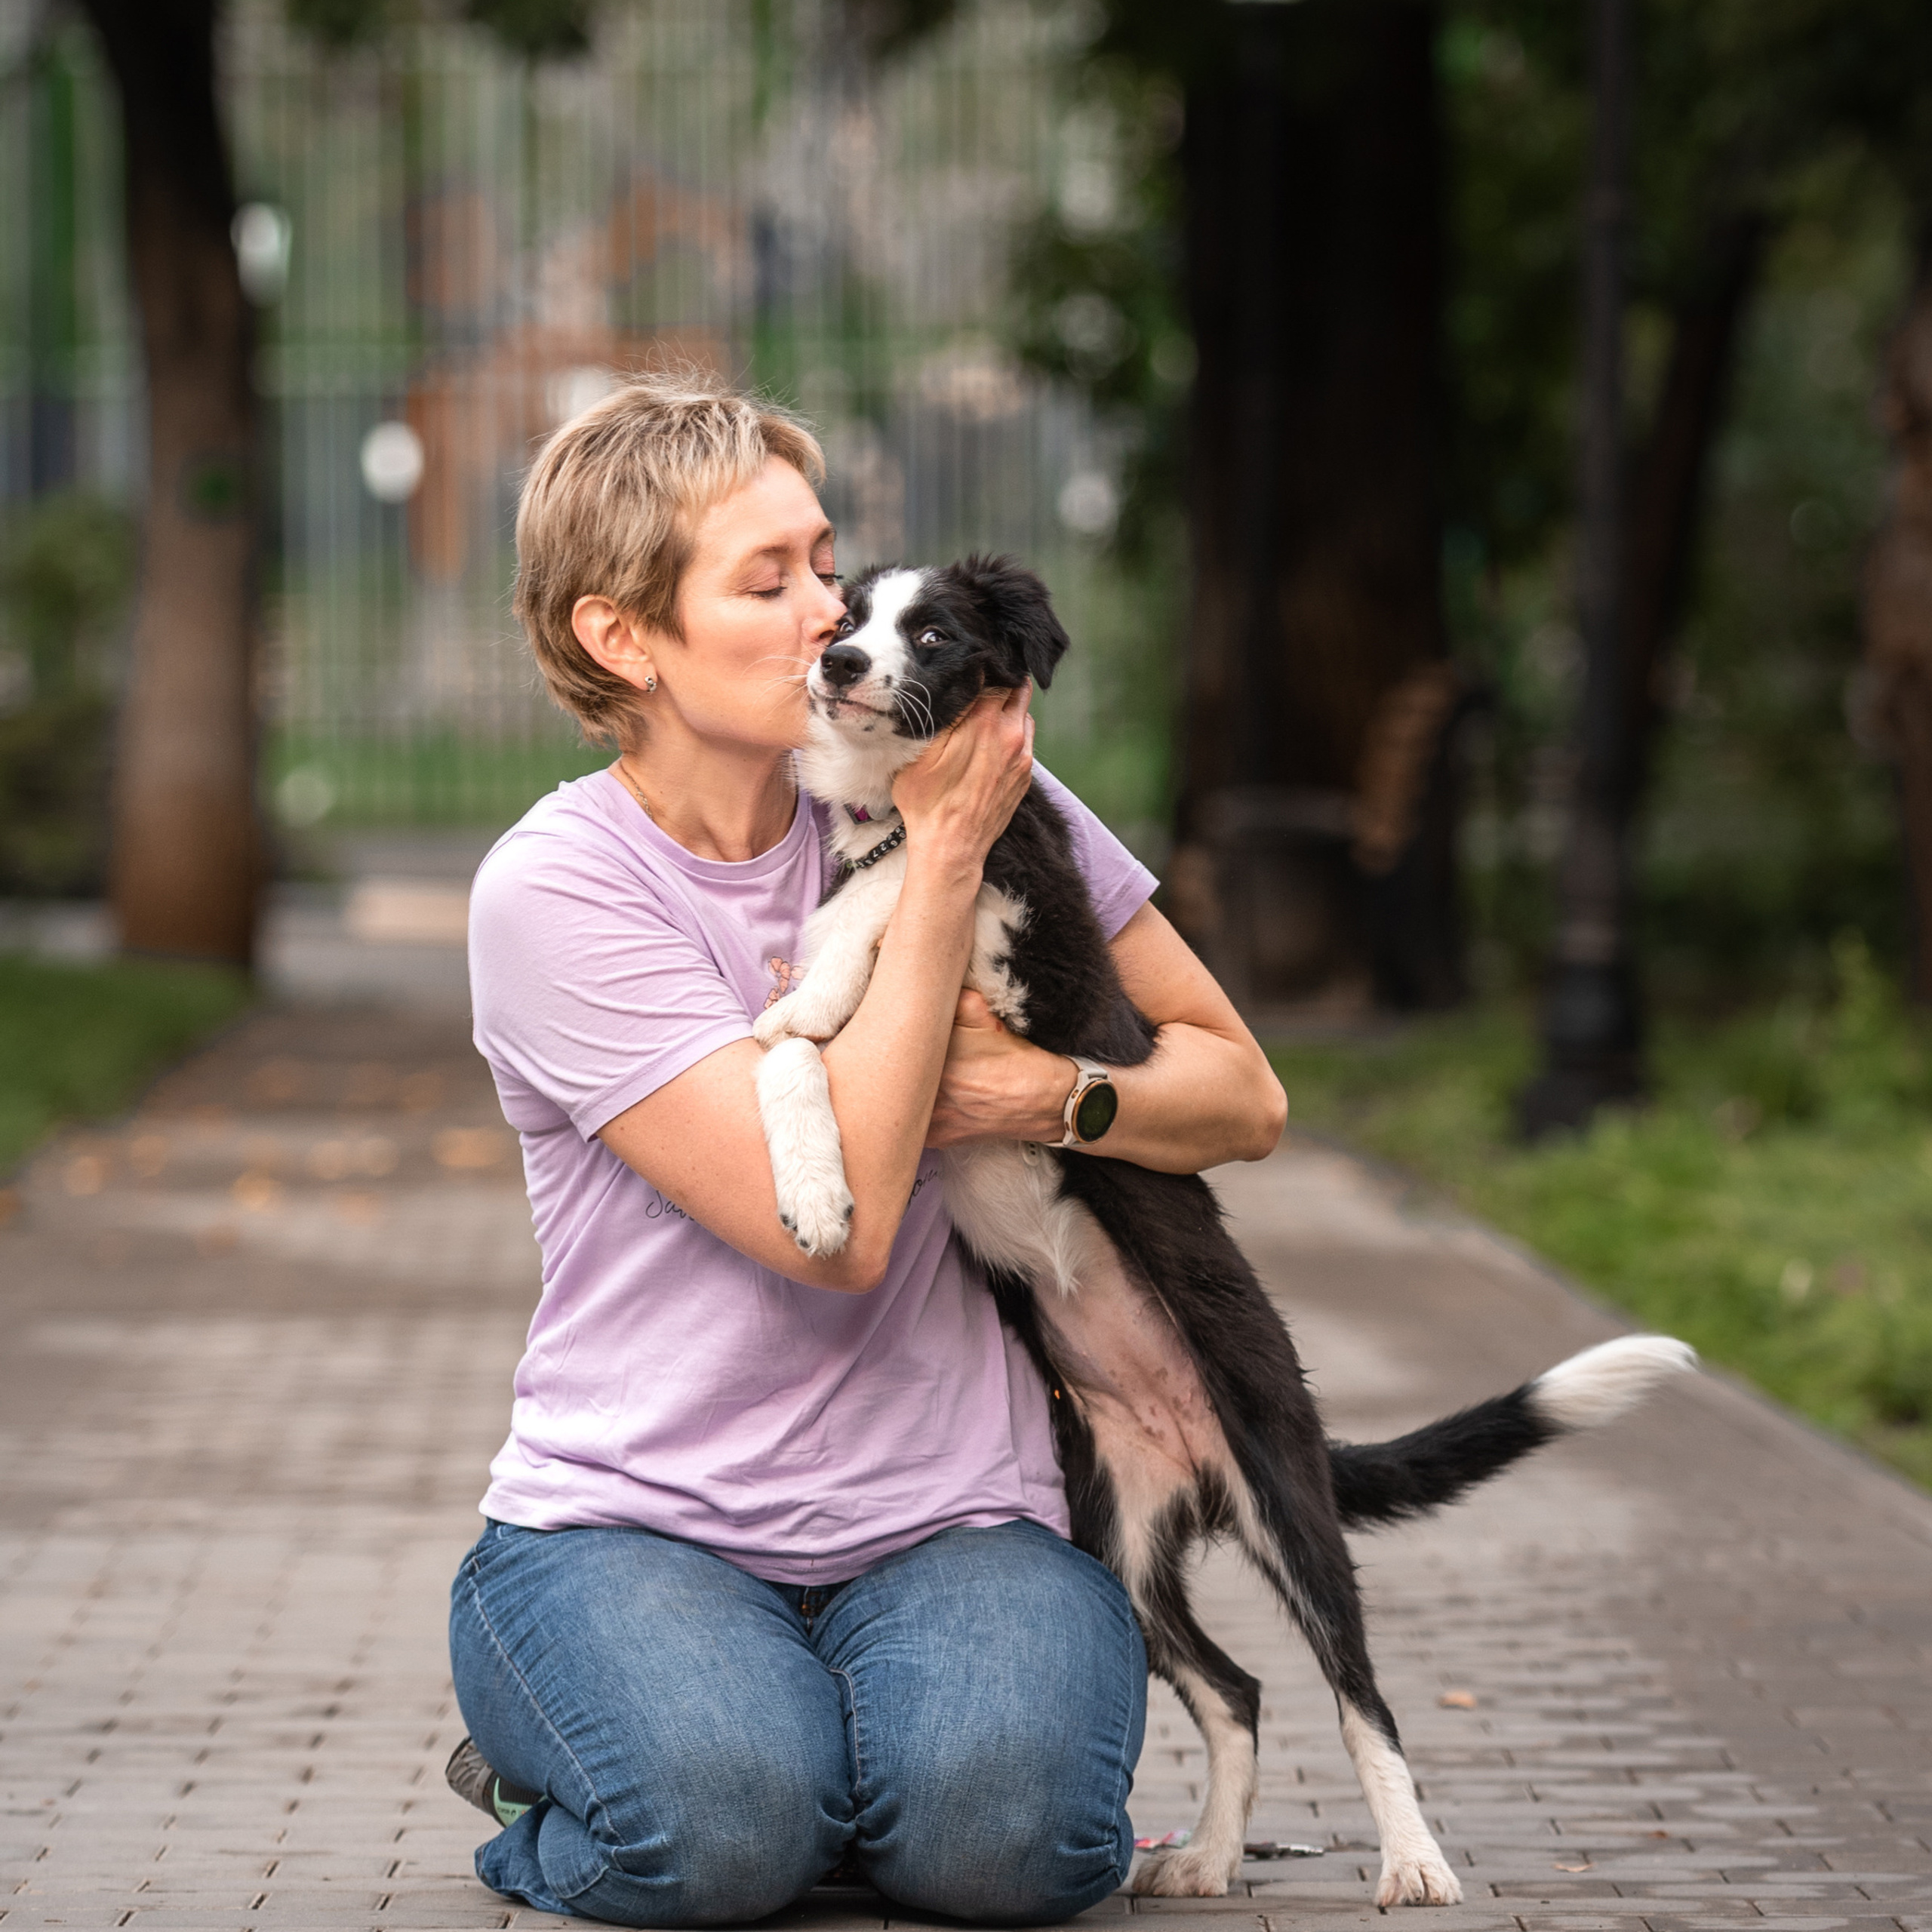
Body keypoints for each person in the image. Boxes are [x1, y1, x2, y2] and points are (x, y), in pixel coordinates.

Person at [447, 369, 1287, 1928]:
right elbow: (821, 1231)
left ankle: (820, 1761)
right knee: (713, 1832)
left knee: (1006, 1840)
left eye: (823, 561)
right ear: (618, 637)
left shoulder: (966, 769)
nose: (828, 610)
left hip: (951, 1514)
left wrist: (1050, 1098)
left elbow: (1241, 1091)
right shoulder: (556, 890)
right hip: (635, 1527)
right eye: (765, 581)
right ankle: (570, 1777)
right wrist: (948, 854)